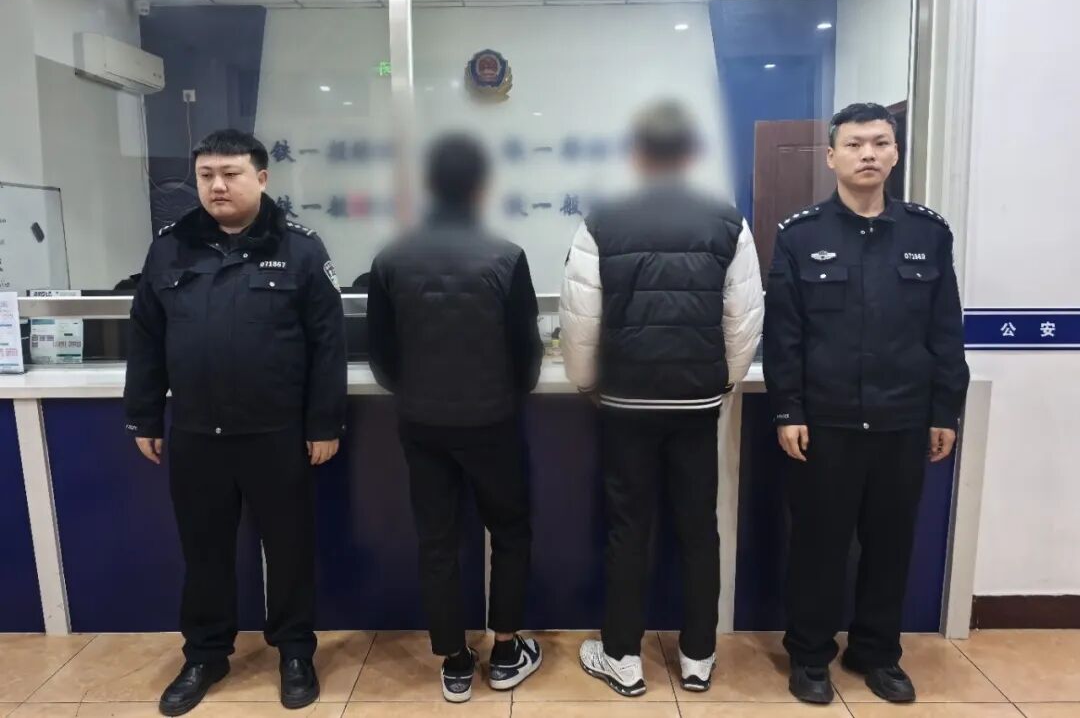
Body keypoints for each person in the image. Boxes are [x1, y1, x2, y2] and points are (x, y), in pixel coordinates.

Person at [124, 129, 347, 716]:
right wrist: (143, 415)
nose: (217, 185)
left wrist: (324, 423)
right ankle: (205, 654)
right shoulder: (170, 248)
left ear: (262, 178)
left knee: (290, 549)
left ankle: (295, 652)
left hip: (276, 432)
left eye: (231, 173)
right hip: (197, 432)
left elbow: (328, 344)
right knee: (204, 551)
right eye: (206, 175)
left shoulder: (300, 248)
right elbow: (145, 337)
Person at [764, 102, 970, 705]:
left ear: (895, 153)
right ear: (831, 157)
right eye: (854, 145)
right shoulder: (801, 235)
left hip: (903, 420)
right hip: (825, 424)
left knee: (890, 545)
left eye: (880, 143)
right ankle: (809, 655)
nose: (868, 155)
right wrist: (788, 409)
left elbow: (945, 328)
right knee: (819, 545)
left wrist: (945, 410)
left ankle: (877, 652)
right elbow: (785, 334)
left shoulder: (927, 233)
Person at [559, 101, 764, 697]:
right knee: (699, 528)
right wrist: (720, 383)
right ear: (691, 154)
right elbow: (744, 317)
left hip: (626, 402)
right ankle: (698, 656)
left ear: (637, 155)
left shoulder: (602, 221)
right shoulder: (728, 221)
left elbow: (580, 320)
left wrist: (587, 383)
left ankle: (623, 656)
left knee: (629, 529)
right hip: (696, 404)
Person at [366, 133, 544, 703]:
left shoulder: (390, 259)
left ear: (428, 185)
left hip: (421, 425)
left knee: (437, 542)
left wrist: (416, 391)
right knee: (509, 531)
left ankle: (455, 662)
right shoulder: (506, 256)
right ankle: (507, 652)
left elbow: (381, 357)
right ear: (482, 187)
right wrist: (505, 396)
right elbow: (527, 356)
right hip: (492, 423)